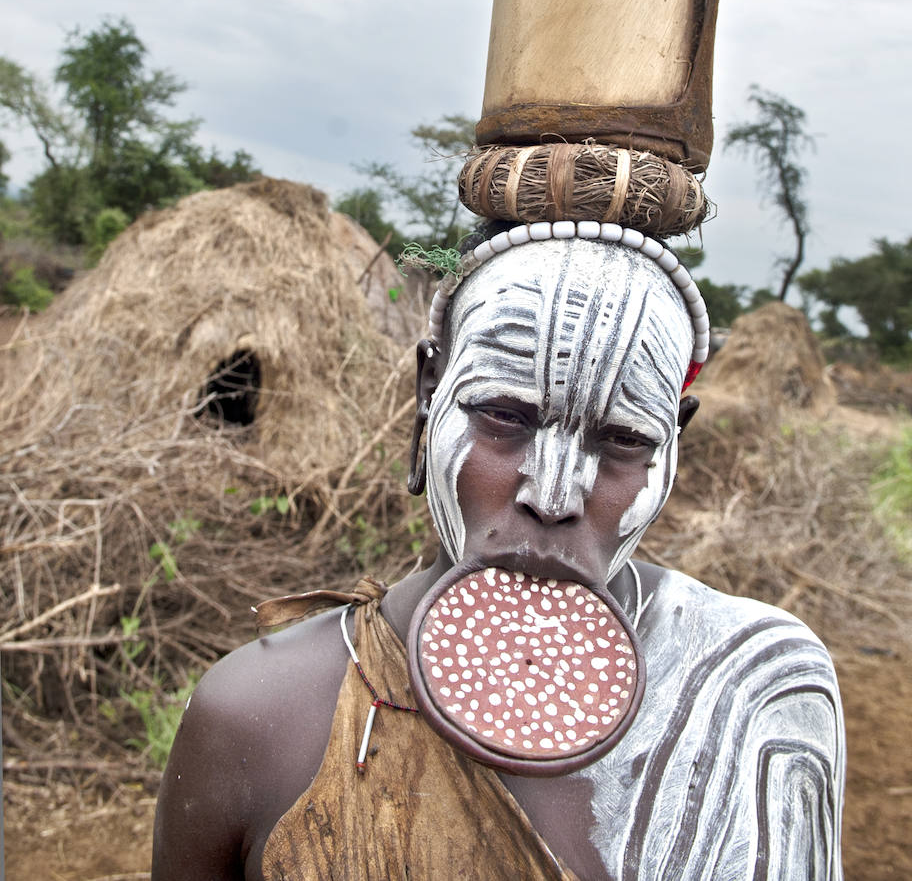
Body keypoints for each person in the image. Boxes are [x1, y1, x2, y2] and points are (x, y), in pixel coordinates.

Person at [152, 224, 844, 880]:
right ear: (430, 397)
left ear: (674, 443)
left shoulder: (758, 693)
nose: (554, 493)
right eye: (505, 418)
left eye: (624, 441)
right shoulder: (255, 717)